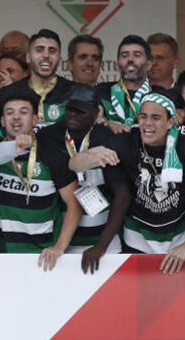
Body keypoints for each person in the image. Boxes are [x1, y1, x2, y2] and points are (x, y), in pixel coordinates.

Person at [109, 93, 185, 272]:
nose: (147, 123)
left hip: (179, 239)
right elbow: (78, 162)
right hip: (136, 238)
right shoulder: (126, 141)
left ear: (170, 122)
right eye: (143, 116)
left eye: (156, 118)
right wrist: (87, 157)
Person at [0, 88, 82, 269]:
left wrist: (59, 247)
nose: (16, 117)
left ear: (35, 120)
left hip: (43, 258)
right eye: (10, 113)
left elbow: (74, 204)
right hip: (0, 256)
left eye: (23, 112)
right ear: (2, 121)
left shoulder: (52, 154)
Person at [42, 85, 131, 272]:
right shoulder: (49, 136)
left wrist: (101, 246)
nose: (72, 114)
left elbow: (122, 196)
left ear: (96, 113)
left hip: (104, 246)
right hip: (60, 244)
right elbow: (66, 168)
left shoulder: (107, 139)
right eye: (69, 109)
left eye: (80, 111)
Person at [1, 29, 74, 125]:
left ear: (59, 60)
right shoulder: (8, 93)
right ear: (28, 57)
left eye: (52, 51)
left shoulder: (74, 92)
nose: (46, 55)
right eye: (39, 50)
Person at [98, 35, 152, 126]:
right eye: (124, 56)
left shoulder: (159, 95)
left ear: (149, 65)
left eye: (137, 55)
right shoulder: (101, 91)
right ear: (117, 65)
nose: (130, 59)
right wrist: (104, 123)